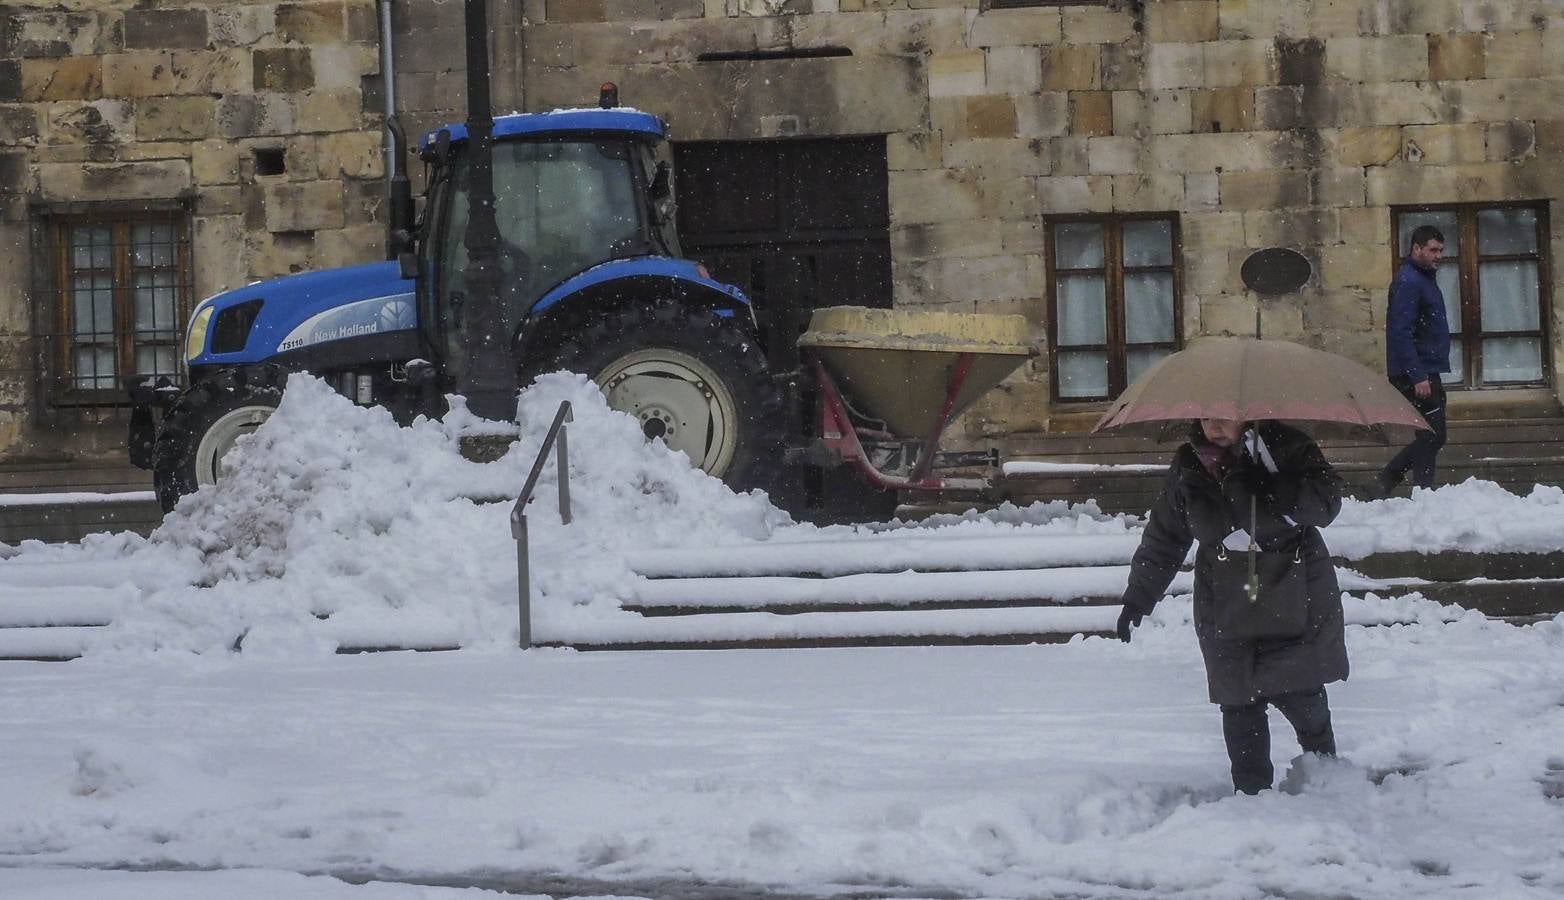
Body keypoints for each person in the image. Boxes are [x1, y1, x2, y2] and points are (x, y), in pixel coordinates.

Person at [1116, 417, 1349, 795]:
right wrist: (1138, 598)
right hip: (1224, 598)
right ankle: (1251, 797)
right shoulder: (1190, 464)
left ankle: (1327, 782)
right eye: (1206, 417)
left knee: (1303, 694)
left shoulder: (1285, 446)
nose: (1215, 426)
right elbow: (1165, 535)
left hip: (1293, 589)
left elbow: (1325, 504)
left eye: (1224, 415)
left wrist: (1272, 485)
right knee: (1239, 703)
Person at [1378, 225, 1452, 494]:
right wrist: (1417, 375)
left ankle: (1404, 484)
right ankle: (1409, 486)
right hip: (1416, 373)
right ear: (1416, 249)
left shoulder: (1423, 278)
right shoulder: (1410, 281)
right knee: (1432, 434)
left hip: (1426, 369)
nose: (1438, 256)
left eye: (1441, 250)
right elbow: (1401, 331)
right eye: (1433, 249)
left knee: (1431, 434)